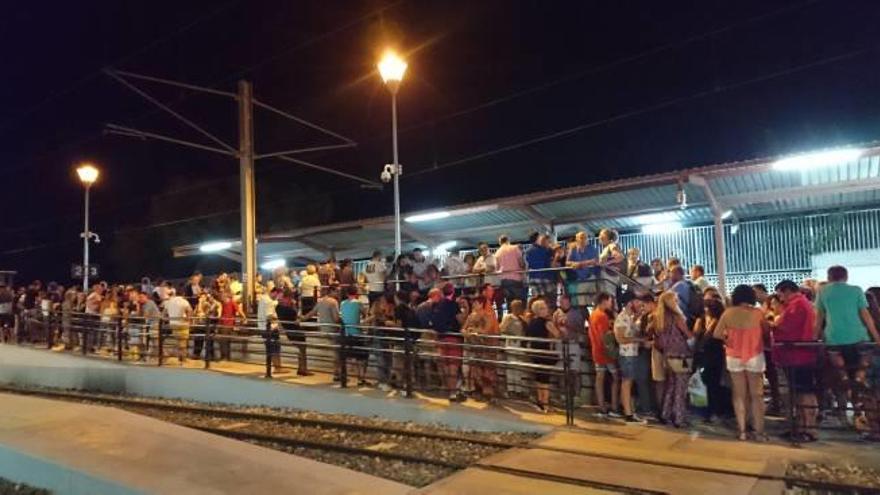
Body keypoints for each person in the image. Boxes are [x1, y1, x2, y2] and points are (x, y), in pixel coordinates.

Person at [814, 265, 880, 426]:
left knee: (838, 364)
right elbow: (866, 316)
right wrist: (877, 337)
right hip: (858, 337)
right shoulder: (856, 290)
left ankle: (844, 377)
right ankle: (859, 378)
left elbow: (819, 317)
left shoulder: (822, 292)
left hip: (834, 338)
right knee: (864, 361)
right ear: (846, 276)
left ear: (829, 277)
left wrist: (814, 337)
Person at [715, 285, 771, 441]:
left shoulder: (728, 313)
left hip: (733, 356)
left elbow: (717, 333)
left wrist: (729, 340)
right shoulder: (758, 313)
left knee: (739, 395)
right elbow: (766, 332)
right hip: (754, 355)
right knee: (756, 395)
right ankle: (759, 431)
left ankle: (742, 431)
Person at [772, 279, 819, 441]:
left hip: (798, 354)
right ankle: (801, 426)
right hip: (798, 354)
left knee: (804, 392)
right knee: (800, 391)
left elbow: (787, 328)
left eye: (780, 295)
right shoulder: (801, 304)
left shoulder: (797, 305)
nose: (780, 299)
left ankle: (808, 428)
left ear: (786, 291)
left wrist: (772, 325)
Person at [652, 291, 694, 428]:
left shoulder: (658, 317)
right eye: (676, 299)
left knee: (670, 386)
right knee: (680, 387)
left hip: (667, 354)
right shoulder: (677, 317)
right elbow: (687, 334)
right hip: (681, 354)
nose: (678, 302)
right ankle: (678, 417)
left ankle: (665, 414)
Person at [693, 294, 731, 422]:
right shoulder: (702, 320)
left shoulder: (718, 322)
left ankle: (715, 411)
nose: (705, 310)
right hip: (704, 355)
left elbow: (712, 336)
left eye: (707, 308)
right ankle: (709, 411)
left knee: (714, 383)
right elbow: (697, 335)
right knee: (707, 383)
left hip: (715, 355)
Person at [463, 284, 501, 402]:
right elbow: (463, 328)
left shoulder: (488, 315)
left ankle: (488, 392)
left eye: (475, 303)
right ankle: (479, 390)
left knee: (487, 370)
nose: (473, 305)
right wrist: (467, 333)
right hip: (476, 346)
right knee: (476, 370)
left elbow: (487, 329)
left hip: (487, 346)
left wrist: (474, 331)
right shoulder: (471, 316)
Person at [614, 291, 646, 423]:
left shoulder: (629, 317)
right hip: (627, 355)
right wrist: (639, 340)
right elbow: (621, 339)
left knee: (628, 382)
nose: (639, 303)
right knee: (627, 383)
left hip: (631, 353)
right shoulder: (622, 318)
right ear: (629, 303)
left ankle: (628, 410)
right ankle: (628, 413)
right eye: (636, 301)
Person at [431, 283, 466, 402]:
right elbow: (461, 320)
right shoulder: (453, 305)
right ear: (452, 292)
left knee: (445, 366)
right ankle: (453, 393)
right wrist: (466, 309)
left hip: (441, 338)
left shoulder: (437, 305)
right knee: (453, 366)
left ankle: (448, 389)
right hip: (453, 337)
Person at [525, 299, 561, 412]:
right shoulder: (547, 323)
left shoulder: (531, 322)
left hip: (535, 352)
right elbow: (557, 335)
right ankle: (545, 403)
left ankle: (540, 401)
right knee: (545, 378)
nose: (547, 310)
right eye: (545, 308)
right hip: (545, 352)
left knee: (538, 377)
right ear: (540, 310)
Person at [589, 292, 620, 417]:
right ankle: (614, 406)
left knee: (600, 378)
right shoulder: (602, 316)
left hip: (596, 350)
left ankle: (602, 406)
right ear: (605, 301)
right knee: (616, 377)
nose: (611, 303)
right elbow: (605, 336)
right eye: (610, 300)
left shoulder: (593, 315)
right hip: (606, 352)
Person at [302, 285, 341, 379]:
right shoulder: (333, 302)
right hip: (332, 329)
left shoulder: (321, 301)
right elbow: (336, 318)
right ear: (332, 291)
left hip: (323, 329)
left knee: (335, 351)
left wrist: (302, 319)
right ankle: (337, 373)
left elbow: (312, 313)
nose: (339, 293)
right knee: (337, 352)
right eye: (337, 291)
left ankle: (337, 372)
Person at [553, 294, 585, 395]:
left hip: (573, 342)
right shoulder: (556, 314)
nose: (563, 304)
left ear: (569, 302)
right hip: (561, 343)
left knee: (575, 370)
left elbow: (581, 329)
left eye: (565, 302)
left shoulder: (576, 314)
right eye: (561, 302)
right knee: (562, 370)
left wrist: (568, 326)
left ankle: (576, 393)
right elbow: (553, 328)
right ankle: (563, 393)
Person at [566, 231, 599, 313]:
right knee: (581, 302)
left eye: (585, 237)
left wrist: (581, 263)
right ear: (577, 239)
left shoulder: (592, 248)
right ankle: (585, 320)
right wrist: (574, 263)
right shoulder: (573, 250)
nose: (583, 239)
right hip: (581, 279)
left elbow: (596, 260)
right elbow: (567, 262)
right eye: (581, 238)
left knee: (596, 300)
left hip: (591, 277)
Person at [500, 299, 527, 398]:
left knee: (519, 367)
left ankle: (519, 389)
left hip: (520, 344)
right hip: (511, 343)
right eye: (516, 307)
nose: (518, 309)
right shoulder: (508, 317)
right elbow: (502, 329)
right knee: (511, 366)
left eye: (519, 307)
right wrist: (510, 335)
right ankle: (511, 389)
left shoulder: (522, 319)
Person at [495, 235, 526, 315]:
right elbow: (521, 262)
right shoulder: (515, 248)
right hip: (516, 278)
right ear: (508, 240)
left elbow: (497, 268)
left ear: (500, 242)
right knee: (519, 302)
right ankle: (520, 319)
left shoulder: (497, 252)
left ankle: (511, 319)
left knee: (509, 302)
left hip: (504, 280)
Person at [257, 287, 285, 373]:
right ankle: (277, 368)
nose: (277, 298)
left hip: (262, 327)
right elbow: (269, 316)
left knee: (271, 348)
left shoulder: (263, 299)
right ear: (274, 292)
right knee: (275, 348)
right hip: (270, 328)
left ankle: (277, 367)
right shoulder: (269, 302)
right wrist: (278, 318)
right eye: (277, 296)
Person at [525, 233, 556, 308]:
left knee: (538, 300)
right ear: (537, 239)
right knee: (550, 300)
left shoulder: (528, 251)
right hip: (545, 277)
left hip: (533, 277)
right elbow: (548, 263)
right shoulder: (544, 250)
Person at [163, 289, 193, 365]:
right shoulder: (184, 301)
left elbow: (164, 313)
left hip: (173, 324)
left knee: (178, 341)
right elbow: (190, 310)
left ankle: (179, 358)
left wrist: (168, 319)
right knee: (183, 342)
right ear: (183, 294)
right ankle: (183, 360)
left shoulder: (169, 301)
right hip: (182, 324)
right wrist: (189, 320)